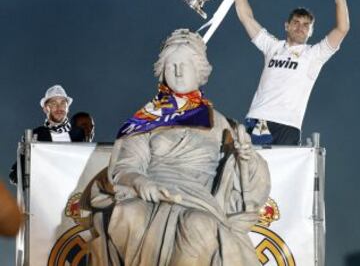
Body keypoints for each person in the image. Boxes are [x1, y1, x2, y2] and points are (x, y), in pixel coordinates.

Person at [86, 29, 270, 266]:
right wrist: (140, 182)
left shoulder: (221, 123)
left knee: (199, 224)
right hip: (151, 195)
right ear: (162, 70)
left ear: (200, 71)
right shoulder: (145, 118)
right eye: (172, 64)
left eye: (186, 64)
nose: (179, 70)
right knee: (130, 214)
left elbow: (247, 184)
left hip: (198, 200)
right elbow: (125, 166)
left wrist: (246, 158)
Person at [233, 0, 350, 145]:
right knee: (247, 171)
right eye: (296, 22)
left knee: (279, 173)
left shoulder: (314, 55)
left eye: (306, 25)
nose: (300, 27)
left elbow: (342, 29)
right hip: (259, 118)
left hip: (288, 126)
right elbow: (246, 17)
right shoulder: (273, 46)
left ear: (310, 32)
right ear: (286, 25)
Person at [9, 85, 86, 184]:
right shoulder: (35, 135)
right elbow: (15, 175)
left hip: (74, 198)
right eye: (53, 103)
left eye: (63, 103)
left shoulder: (79, 135)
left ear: (68, 108)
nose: (59, 108)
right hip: (46, 196)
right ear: (45, 109)